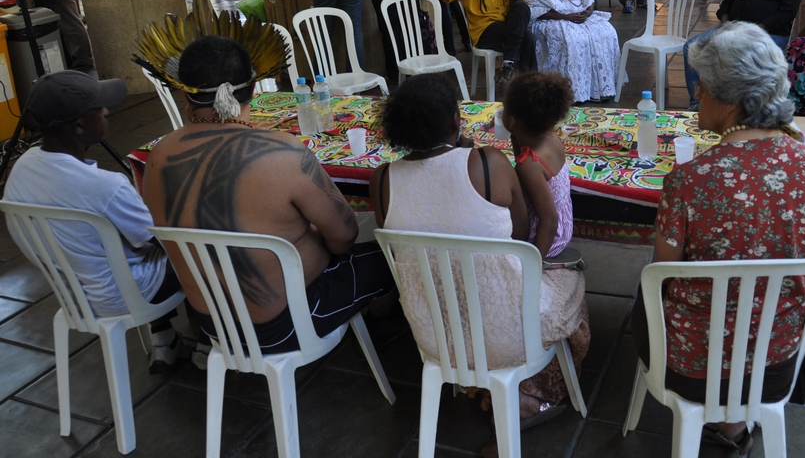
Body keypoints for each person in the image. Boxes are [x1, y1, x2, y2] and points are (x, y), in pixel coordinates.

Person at [633, 22, 805, 455]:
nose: (696, 95)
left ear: (732, 100)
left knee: (645, 292)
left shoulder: (689, 181)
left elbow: (663, 274)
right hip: (785, 355)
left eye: (702, 87)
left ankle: (722, 421)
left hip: (692, 366)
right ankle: (736, 422)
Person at [369, 73, 589, 442]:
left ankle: (486, 391)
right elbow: (519, 238)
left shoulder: (381, 180)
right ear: (456, 121)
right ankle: (532, 394)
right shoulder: (488, 163)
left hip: (435, 337)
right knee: (573, 274)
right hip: (509, 336)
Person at [141, 36, 395, 354]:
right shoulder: (284, 153)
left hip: (212, 326)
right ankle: (387, 338)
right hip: (287, 326)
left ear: (185, 96)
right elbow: (343, 238)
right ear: (253, 90)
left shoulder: (157, 156)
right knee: (390, 255)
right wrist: (306, 235)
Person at [3, 71, 197, 372]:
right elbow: (163, 238)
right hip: (126, 295)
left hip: (74, 295)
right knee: (203, 247)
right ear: (79, 125)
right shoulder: (106, 186)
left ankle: (165, 343)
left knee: (130, 248)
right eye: (100, 110)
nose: (108, 112)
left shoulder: (22, 167)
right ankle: (215, 343)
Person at [501, 72, 575, 259]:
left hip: (546, 237)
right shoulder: (550, 136)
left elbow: (549, 221)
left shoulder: (529, 165)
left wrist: (533, 264)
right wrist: (514, 134)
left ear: (511, 121)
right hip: (564, 223)